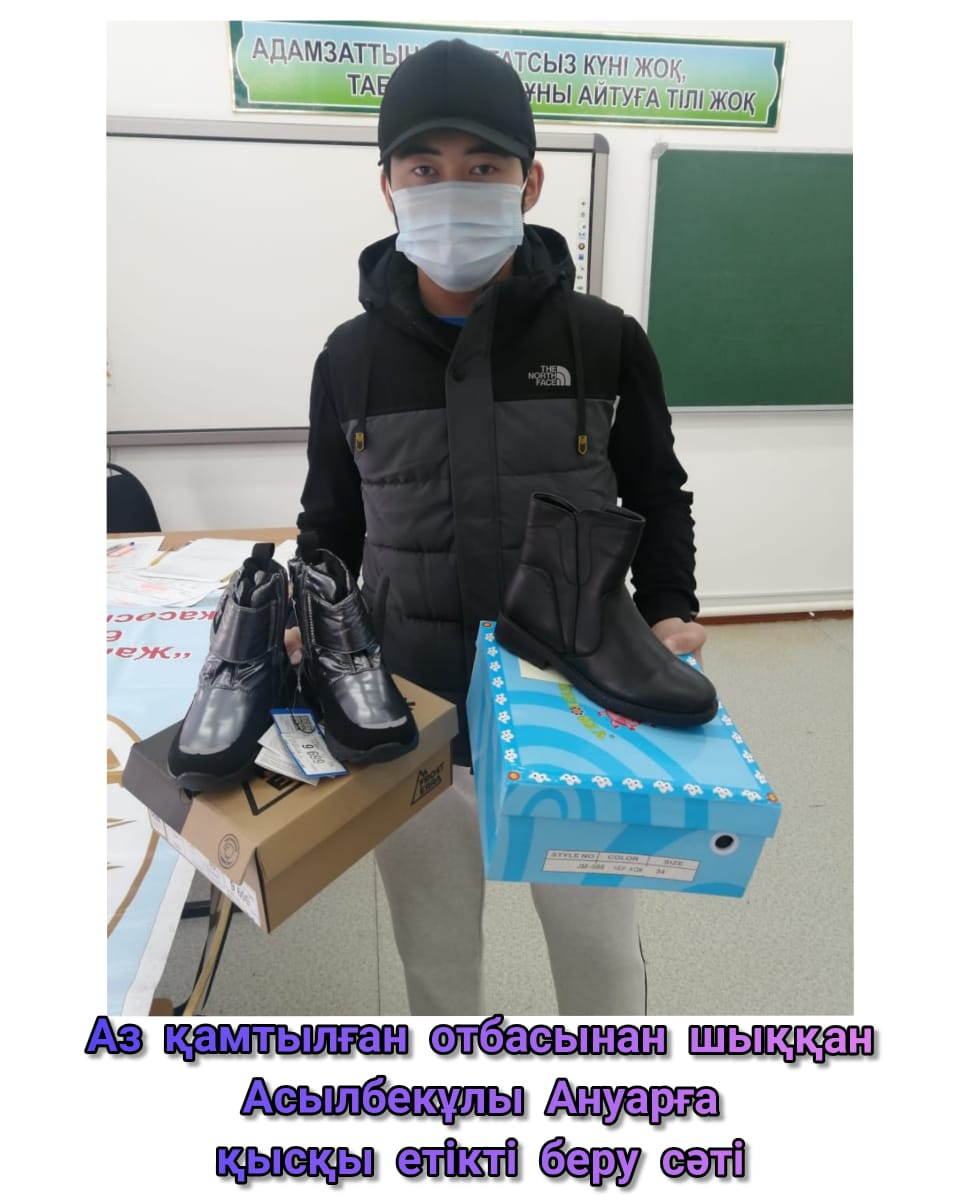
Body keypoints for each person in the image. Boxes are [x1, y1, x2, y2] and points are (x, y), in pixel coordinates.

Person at [287, 38, 708, 1015]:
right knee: (436, 963)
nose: (452, 188)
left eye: (483, 167)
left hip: (578, 703)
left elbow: (658, 488)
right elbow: (329, 520)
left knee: (602, 963)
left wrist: (671, 605)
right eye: (424, 167)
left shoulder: (602, 338)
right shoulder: (348, 360)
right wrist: (312, 616)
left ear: (531, 182)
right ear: (388, 186)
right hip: (413, 710)